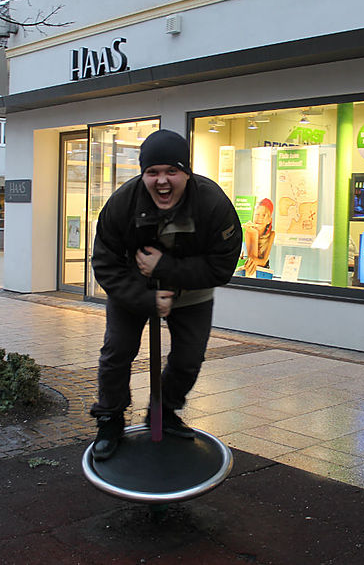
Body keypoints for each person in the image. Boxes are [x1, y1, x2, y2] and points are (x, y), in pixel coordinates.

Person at [89, 129, 243, 461]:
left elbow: (222, 267)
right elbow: (104, 263)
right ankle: (110, 418)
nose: (162, 181)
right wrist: (145, 299)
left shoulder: (212, 203)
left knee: (189, 359)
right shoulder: (122, 203)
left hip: (191, 292)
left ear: (186, 172)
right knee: (117, 353)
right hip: (132, 290)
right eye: (153, 172)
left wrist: (165, 268)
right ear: (142, 174)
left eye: (172, 171)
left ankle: (164, 411)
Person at [242, 198, 275, 277]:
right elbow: (252, 257)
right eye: (257, 214)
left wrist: (254, 261)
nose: (259, 218)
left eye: (264, 215)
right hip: (249, 272)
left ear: (269, 220)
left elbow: (263, 262)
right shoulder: (249, 232)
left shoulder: (271, 234)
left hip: (263, 272)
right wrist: (254, 233)